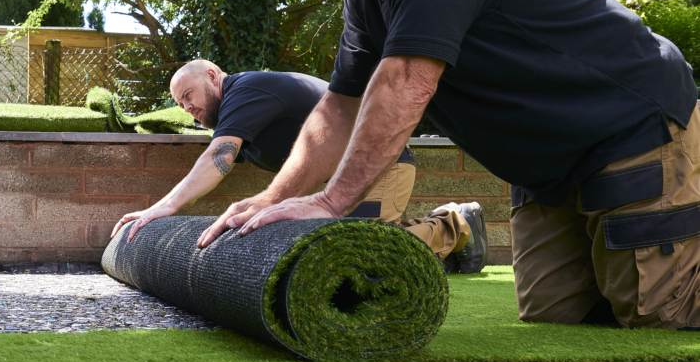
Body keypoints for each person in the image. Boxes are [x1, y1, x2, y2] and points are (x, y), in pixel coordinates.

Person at [197, 0, 700, 331]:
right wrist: (272, 199)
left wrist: (331, 203)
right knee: (555, 312)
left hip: (629, 125)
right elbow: (338, 108)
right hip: (549, 169)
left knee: (658, 310)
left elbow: (406, 82)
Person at [111, 59, 490, 272]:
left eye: (188, 95)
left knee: (360, 252)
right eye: (181, 105)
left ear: (212, 76)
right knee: (338, 254)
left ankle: (454, 225)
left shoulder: (244, 91)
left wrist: (163, 207)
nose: (188, 109)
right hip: (342, 182)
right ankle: (442, 239)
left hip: (381, 165)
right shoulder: (241, 116)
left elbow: (217, 159)